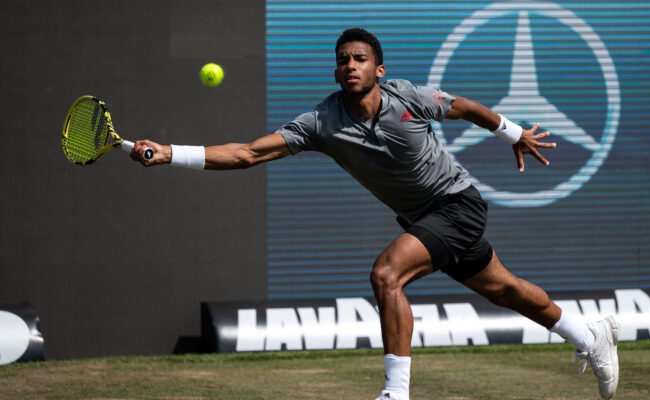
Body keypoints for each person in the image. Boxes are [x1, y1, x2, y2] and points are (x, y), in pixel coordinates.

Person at [130, 27, 619, 400]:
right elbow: (248, 153)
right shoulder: (321, 123)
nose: (350, 66)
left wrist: (514, 133)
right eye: (342, 60)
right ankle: (589, 334)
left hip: (457, 204)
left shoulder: (410, 97)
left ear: (378, 70)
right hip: (424, 219)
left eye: (360, 59)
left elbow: (466, 107)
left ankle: (396, 392)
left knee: (387, 274)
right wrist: (172, 152)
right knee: (505, 290)